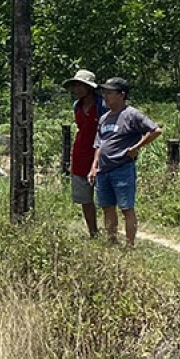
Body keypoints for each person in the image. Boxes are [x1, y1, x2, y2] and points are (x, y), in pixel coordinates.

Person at [89, 77, 164, 248]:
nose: (105, 96)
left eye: (109, 93)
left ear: (121, 95)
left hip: (122, 168)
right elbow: (99, 144)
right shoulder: (104, 118)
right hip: (103, 170)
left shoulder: (131, 114)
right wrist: (94, 167)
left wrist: (136, 147)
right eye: (104, 92)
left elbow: (155, 130)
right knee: (107, 207)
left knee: (126, 208)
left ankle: (130, 245)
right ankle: (112, 241)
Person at [63, 69, 105, 238]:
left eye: (81, 85)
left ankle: (111, 232)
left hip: (100, 153)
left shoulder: (102, 106)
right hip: (81, 153)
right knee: (85, 197)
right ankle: (93, 232)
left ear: (90, 88)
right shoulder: (77, 106)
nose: (77, 89)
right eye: (75, 85)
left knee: (106, 196)